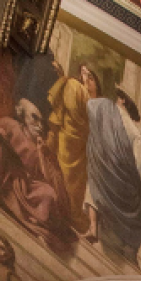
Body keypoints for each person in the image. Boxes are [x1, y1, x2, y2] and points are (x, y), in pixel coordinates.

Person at [0, 99, 76, 251]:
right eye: (34, 117)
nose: (39, 125)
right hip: (0, 171)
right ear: (23, 116)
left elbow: (44, 180)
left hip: (22, 186)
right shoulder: (10, 124)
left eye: (41, 121)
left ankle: (35, 222)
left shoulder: (40, 149)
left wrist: (41, 152)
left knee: (48, 192)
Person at [84, 89, 141, 263]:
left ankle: (93, 227)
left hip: (100, 169)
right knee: (133, 206)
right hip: (119, 180)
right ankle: (127, 244)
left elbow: (89, 108)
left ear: (121, 100)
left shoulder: (103, 109)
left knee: (94, 177)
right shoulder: (135, 132)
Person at [46, 62, 99, 232]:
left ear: (96, 82)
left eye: (89, 76)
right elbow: (71, 109)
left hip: (82, 148)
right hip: (68, 137)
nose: (85, 77)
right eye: (83, 73)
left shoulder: (96, 104)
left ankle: (68, 210)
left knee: (75, 184)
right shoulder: (74, 86)